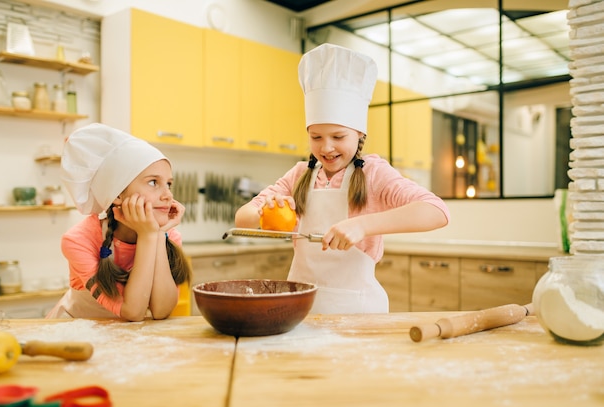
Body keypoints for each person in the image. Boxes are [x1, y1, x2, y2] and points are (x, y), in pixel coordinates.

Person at [234, 43, 450, 314]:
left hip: (358, 312)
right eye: (316, 137)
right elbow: (243, 217)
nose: (326, 148)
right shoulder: (300, 174)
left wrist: (363, 225)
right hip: (301, 309)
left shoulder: (373, 173)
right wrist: (267, 212)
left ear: (359, 135)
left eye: (338, 137)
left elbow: (437, 211)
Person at [46, 123, 191, 321]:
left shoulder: (168, 235)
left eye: (169, 184)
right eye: (153, 182)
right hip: (77, 332)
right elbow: (133, 312)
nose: (167, 195)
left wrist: (156, 235)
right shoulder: (78, 240)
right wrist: (148, 235)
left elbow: (162, 311)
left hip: (128, 340)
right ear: (118, 194)